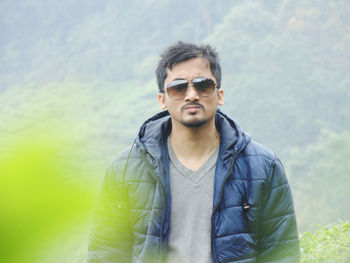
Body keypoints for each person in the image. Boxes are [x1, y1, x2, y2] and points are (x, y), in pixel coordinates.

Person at [88, 42, 300, 263]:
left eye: (203, 84)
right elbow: (107, 253)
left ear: (220, 95)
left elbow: (281, 254)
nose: (191, 95)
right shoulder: (125, 170)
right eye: (178, 87)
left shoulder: (263, 167)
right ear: (162, 99)